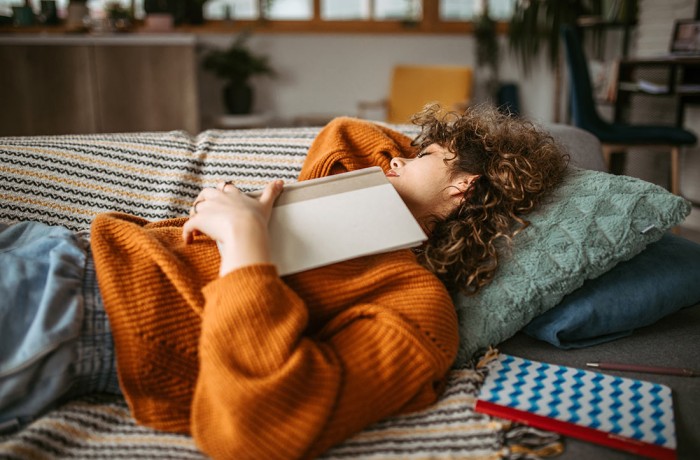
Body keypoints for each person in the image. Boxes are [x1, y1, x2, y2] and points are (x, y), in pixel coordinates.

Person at [0, 104, 568, 459]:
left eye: (420, 155)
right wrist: (408, 183)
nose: (393, 159)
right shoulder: (343, 203)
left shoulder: (415, 309)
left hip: (74, 309)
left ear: (463, 188)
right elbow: (346, 135)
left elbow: (257, 428)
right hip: (51, 244)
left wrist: (244, 247)